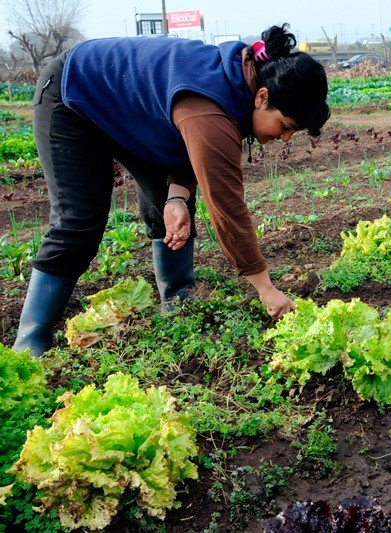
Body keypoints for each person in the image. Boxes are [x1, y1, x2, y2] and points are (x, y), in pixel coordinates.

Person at [13, 24, 330, 356]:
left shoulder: (239, 79)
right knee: (78, 222)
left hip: (131, 112)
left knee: (170, 206)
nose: (285, 138)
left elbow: (186, 141)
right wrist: (265, 288)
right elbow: (226, 207)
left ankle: (179, 306)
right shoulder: (212, 108)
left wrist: (177, 194)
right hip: (73, 95)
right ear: (262, 97)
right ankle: (30, 343)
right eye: (286, 126)